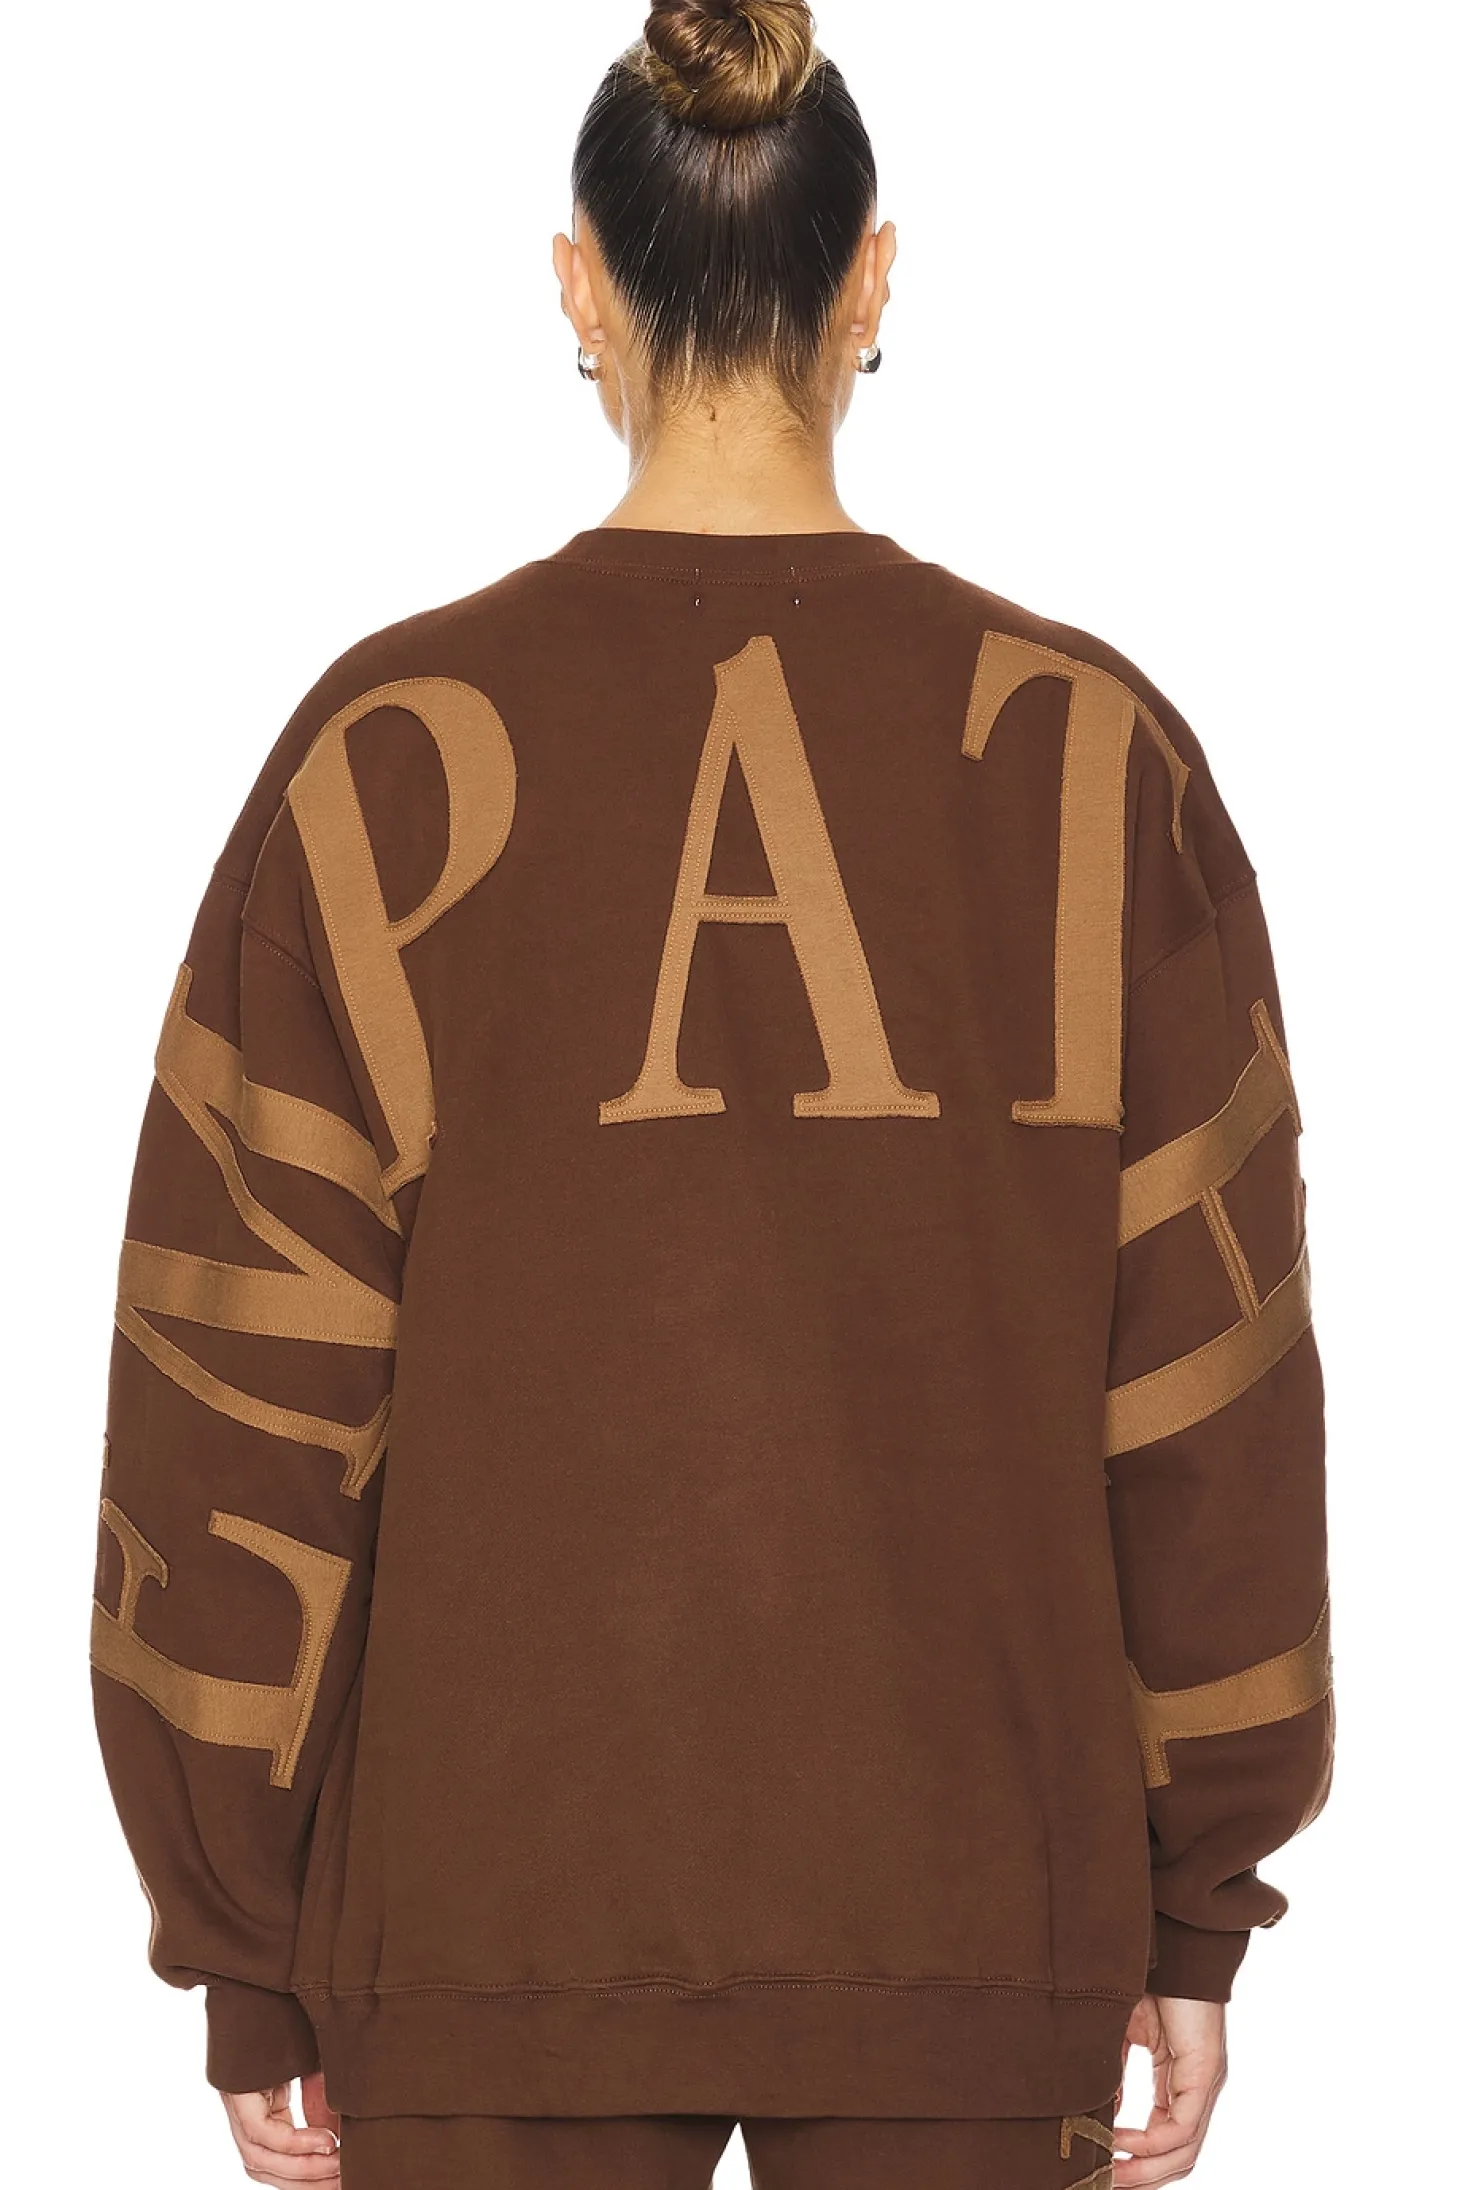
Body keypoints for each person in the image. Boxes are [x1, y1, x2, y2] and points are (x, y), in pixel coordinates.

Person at [89, 2, 1333, 2184]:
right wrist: (1192, 1900)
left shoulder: (383, 750)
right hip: (975, 1896)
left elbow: (240, 1378)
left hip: (480, 1908)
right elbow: (1209, 1390)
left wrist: (243, 1938)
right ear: (872, 279)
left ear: (580, 282)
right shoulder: (1090, 752)